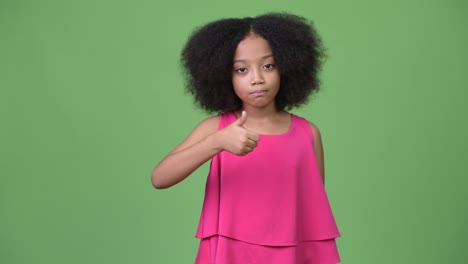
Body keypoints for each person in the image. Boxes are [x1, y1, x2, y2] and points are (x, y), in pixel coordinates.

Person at [151, 12, 341, 264]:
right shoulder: (217, 128)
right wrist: (217, 142)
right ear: (222, 76)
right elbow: (159, 178)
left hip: (290, 254)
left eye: (268, 65)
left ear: (287, 66)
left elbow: (311, 209)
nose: (257, 78)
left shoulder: (308, 134)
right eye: (241, 69)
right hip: (229, 253)